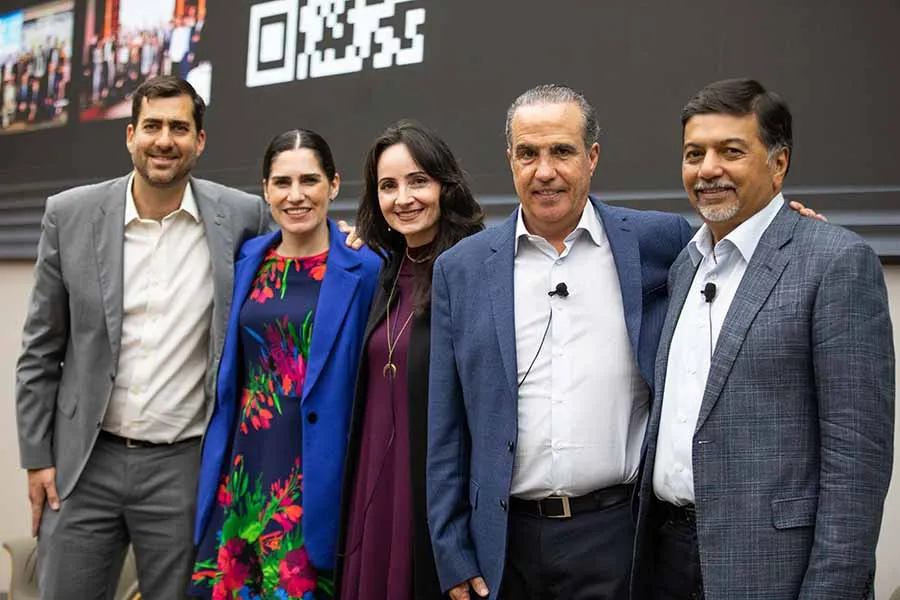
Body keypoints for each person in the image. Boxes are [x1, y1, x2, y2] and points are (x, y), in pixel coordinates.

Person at [426, 84, 693, 600]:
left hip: (617, 537)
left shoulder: (660, 243)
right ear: (510, 161)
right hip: (504, 545)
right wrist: (452, 550)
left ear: (592, 157)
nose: (544, 171)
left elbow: (731, 266)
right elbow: (446, 427)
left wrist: (792, 223)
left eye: (562, 152)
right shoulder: (461, 270)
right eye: (528, 153)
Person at [632, 78, 895, 600]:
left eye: (731, 151)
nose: (708, 169)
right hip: (667, 559)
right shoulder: (684, 265)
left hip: (773, 570)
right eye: (694, 153)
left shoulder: (835, 262)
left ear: (778, 165)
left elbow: (856, 463)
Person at [14, 75, 270, 599]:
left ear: (200, 141)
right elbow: (41, 349)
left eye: (179, 127)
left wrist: (346, 242)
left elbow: (299, 244)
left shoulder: (242, 218)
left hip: (182, 464)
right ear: (130, 134)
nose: (164, 140)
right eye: (152, 125)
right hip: (83, 463)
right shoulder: (69, 215)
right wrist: (37, 457)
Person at [189, 129, 381, 599]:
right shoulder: (248, 259)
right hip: (242, 473)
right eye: (282, 182)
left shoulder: (367, 268)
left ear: (333, 185)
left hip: (314, 481)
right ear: (266, 190)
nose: (295, 196)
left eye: (309, 180)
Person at [335, 120, 484, 600]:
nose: (404, 198)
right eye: (388, 186)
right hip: (372, 488)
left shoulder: (474, 270)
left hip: (435, 497)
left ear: (445, 184)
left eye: (418, 180)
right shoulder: (383, 271)